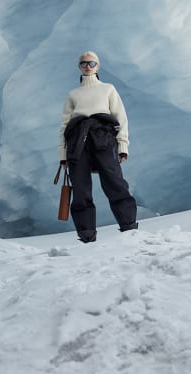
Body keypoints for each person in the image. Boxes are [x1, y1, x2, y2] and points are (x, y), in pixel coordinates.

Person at [58, 51, 138, 243]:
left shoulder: (108, 89)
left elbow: (121, 117)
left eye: (92, 63)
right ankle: (86, 235)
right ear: (79, 66)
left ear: (98, 66)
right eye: (84, 63)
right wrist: (63, 155)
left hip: (104, 138)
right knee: (80, 188)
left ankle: (129, 227)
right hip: (77, 142)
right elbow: (64, 126)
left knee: (115, 182)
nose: (88, 66)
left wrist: (123, 146)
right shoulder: (73, 94)